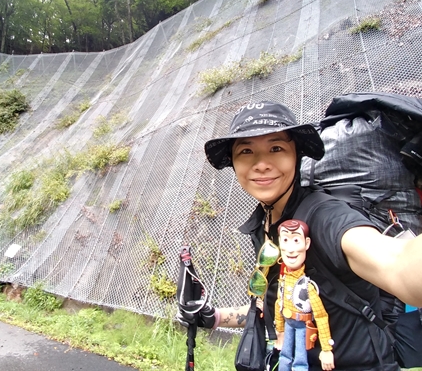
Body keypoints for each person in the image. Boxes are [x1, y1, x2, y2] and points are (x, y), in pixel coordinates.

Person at [177, 101, 422, 371]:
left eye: (276, 148)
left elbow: (399, 266)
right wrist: (216, 317)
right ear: (234, 164)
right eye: (246, 150)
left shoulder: (324, 216)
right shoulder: (266, 226)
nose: (261, 164)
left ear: (297, 156)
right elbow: (284, 304)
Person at [275, 219, 333, 371]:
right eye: (286, 240)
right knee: (284, 356)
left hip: (303, 326)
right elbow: (278, 303)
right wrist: (279, 331)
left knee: (300, 361)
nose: (291, 249)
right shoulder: (283, 279)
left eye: (296, 240)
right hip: (288, 323)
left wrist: (326, 349)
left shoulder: (307, 286)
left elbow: (321, 316)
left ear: (306, 244)